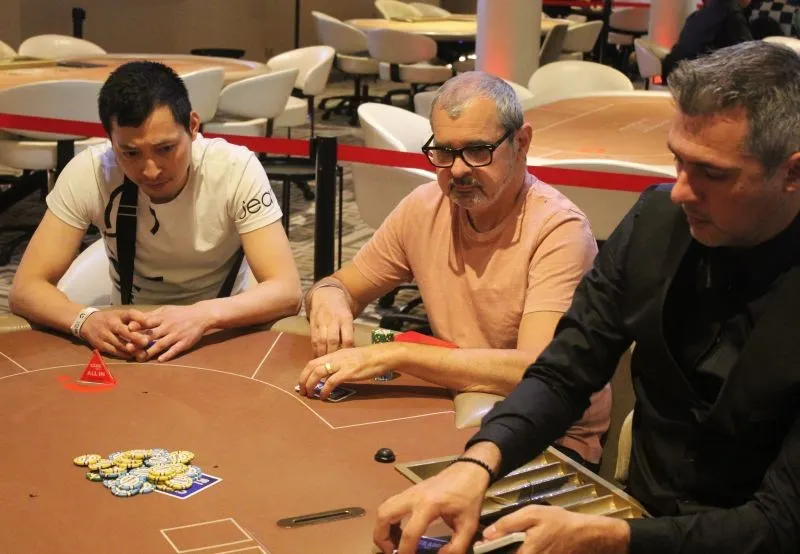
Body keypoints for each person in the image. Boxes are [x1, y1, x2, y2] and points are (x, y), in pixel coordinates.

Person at [372, 41, 800, 554]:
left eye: (712, 173)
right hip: (640, 512)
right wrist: (477, 463)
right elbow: (562, 372)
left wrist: (612, 537)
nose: (681, 191)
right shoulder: (656, 224)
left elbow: (781, 522)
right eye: (678, 162)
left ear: (793, 173)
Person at [299, 71, 611, 471]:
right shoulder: (424, 206)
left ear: (521, 142)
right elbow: (342, 285)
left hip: (552, 435)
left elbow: (537, 371)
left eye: (478, 151)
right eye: (444, 152)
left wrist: (400, 354)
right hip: (460, 406)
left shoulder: (559, 230)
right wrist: (329, 296)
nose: (459, 170)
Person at [9, 61, 302, 363]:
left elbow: (287, 290)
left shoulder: (235, 169)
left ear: (193, 126)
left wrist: (202, 315)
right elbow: (26, 288)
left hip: (221, 329)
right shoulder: (91, 172)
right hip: (131, 337)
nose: (150, 170)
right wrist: (86, 319)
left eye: (165, 149)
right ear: (110, 140)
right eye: (130, 153)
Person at [662, 0, 753, 83]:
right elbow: (749, 56)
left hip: (675, 75)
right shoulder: (732, 15)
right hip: (701, 82)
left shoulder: (696, 17)